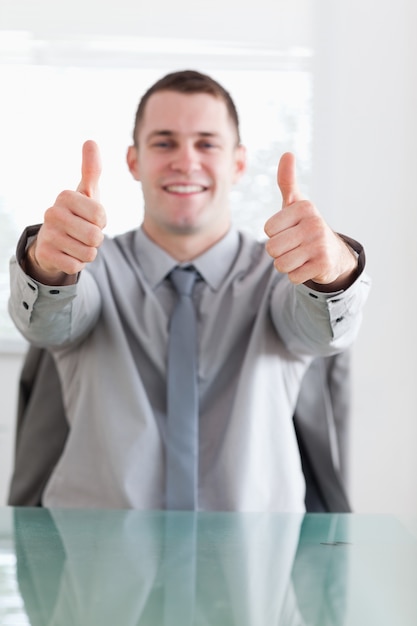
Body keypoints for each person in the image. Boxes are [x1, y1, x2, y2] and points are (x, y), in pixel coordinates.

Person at [8, 69, 370, 511]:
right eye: (163, 142)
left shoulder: (282, 276)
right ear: (133, 161)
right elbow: (48, 323)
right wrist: (47, 267)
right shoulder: (91, 271)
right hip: (98, 567)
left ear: (238, 163)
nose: (185, 160)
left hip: (251, 565)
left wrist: (333, 270)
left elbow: (324, 328)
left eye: (206, 143)